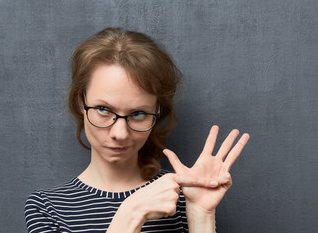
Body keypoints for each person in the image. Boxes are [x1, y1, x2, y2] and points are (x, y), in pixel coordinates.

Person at [25, 28, 250, 233]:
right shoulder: (47, 208)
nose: (120, 133)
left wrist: (201, 214)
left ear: (157, 112)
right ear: (80, 104)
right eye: (103, 109)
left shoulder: (182, 198)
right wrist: (130, 213)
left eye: (138, 114)